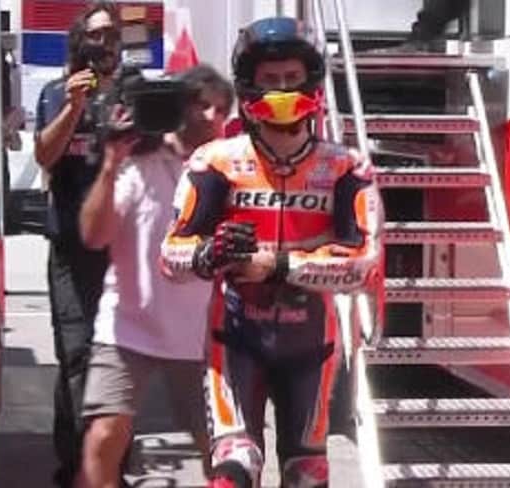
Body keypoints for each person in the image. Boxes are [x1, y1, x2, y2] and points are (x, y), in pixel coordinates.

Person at [161, 16, 383, 488]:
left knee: (308, 473)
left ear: (311, 82)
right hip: (234, 338)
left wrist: (277, 265)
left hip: (312, 345)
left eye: (291, 78)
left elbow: (365, 264)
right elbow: (170, 256)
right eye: (270, 79)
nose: (282, 90)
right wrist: (208, 255)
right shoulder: (214, 161)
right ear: (249, 86)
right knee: (234, 467)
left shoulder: (347, 167)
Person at [74, 64, 234, 488]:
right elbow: (93, 236)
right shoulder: (137, 162)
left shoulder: (229, 169)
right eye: (203, 105)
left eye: (222, 110)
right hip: (127, 327)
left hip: (201, 334)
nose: (213, 117)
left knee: (224, 453)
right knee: (102, 439)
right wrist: (110, 163)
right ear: (181, 106)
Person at [32, 3, 121, 486]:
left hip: (120, 250)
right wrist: (74, 107)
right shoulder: (57, 92)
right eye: (96, 35)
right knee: (76, 352)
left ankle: (110, 463)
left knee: (118, 356)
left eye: (111, 35)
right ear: (80, 42)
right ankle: (76, 464)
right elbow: (45, 155)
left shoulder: (131, 96)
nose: (104, 43)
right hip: (69, 246)